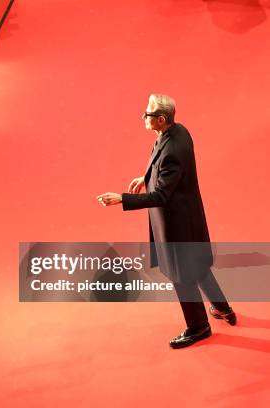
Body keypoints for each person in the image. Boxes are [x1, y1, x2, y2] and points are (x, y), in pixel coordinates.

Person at [97, 94, 236, 349]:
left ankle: (199, 327)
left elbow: (161, 195)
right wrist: (147, 176)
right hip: (189, 219)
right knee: (200, 268)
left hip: (176, 226)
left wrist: (122, 199)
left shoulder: (171, 149)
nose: (144, 118)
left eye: (147, 115)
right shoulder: (179, 132)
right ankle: (223, 309)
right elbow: (171, 172)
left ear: (161, 119)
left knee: (182, 275)